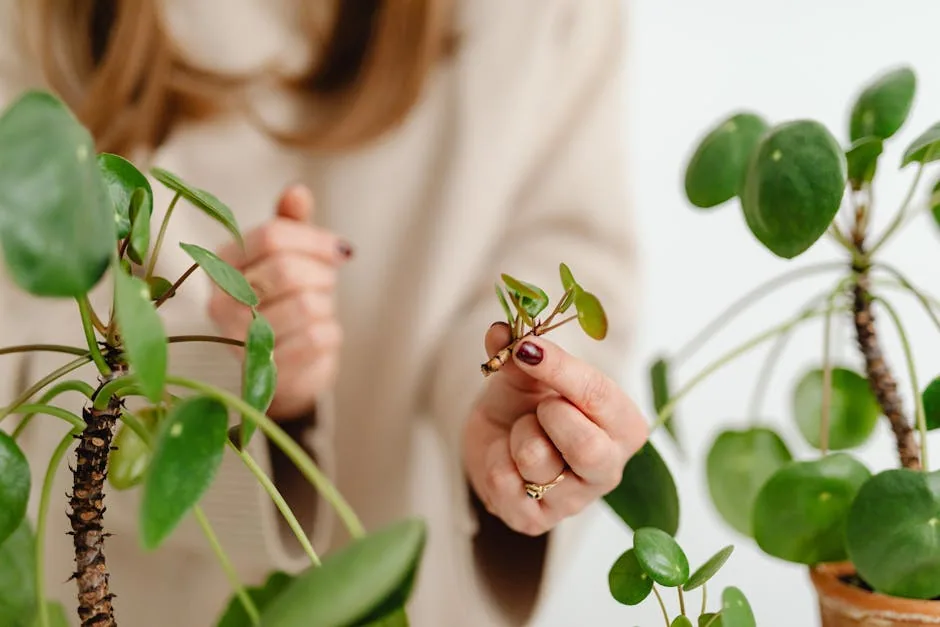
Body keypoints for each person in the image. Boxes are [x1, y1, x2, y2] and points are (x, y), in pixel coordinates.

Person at [0, 1, 648, 625]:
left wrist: (526, 412)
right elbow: (20, 346)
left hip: (412, 562)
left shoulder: (543, 14)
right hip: (123, 590)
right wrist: (225, 384)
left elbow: (562, 247)